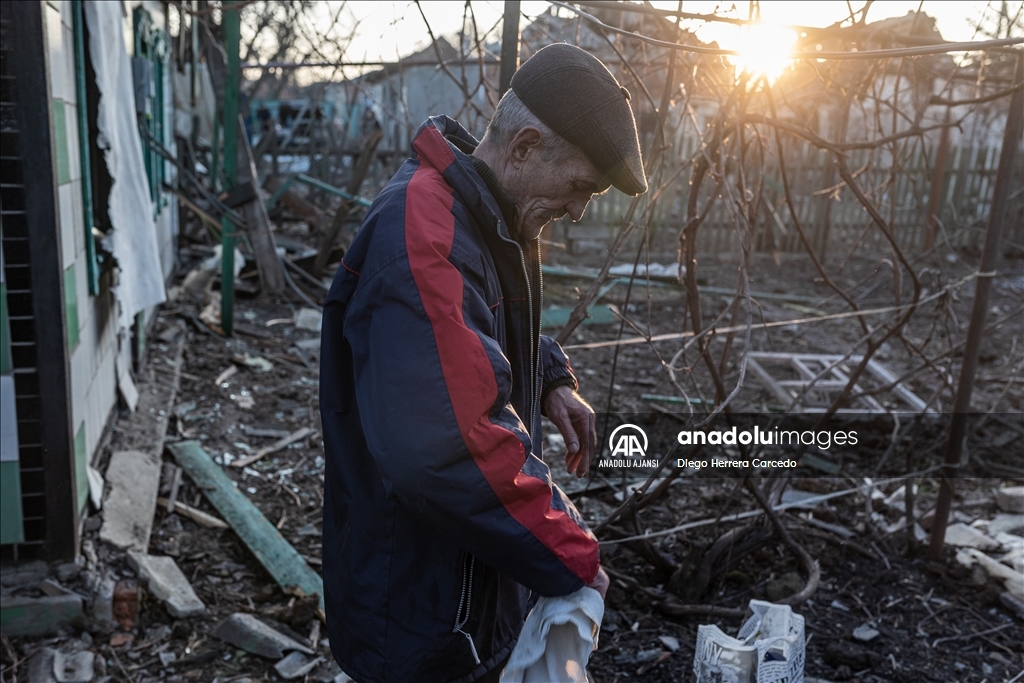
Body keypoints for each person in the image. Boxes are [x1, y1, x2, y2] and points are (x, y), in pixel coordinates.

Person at [319, 43, 647, 683]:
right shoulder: (425, 229)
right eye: (581, 186)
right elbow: (450, 442)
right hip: (418, 606)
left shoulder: (482, 216)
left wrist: (547, 375)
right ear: (524, 146)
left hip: (458, 589)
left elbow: (464, 337)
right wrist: (573, 555)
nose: (580, 209)